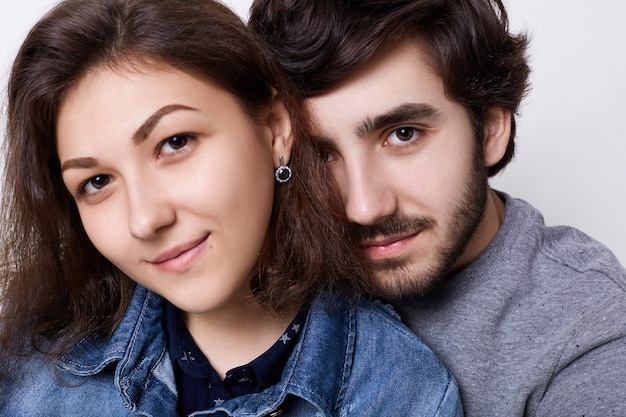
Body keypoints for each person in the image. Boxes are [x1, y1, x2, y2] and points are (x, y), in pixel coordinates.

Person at [0, 0, 464, 415]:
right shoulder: (26, 370)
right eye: (96, 182)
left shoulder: (402, 392)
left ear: (275, 129)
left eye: (175, 143)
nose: (144, 220)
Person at [248, 0, 626, 416]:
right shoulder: (264, 263)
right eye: (321, 155)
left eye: (403, 134)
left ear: (491, 130)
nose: (363, 208)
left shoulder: (589, 327)